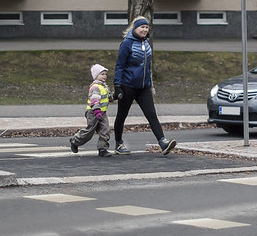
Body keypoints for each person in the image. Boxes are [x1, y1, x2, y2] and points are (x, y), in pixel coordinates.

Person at [112, 16, 176, 155]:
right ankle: (118, 143)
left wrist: (150, 84)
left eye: (147, 27)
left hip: (143, 88)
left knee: (151, 114)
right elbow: (120, 66)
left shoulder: (146, 43)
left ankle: (163, 142)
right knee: (122, 115)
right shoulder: (127, 44)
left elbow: (147, 67)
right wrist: (117, 86)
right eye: (142, 27)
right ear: (135, 28)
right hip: (127, 86)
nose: (145, 30)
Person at [69, 64, 113, 157]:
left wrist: (113, 97)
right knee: (89, 131)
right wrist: (97, 111)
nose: (104, 76)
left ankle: (102, 149)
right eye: (102, 74)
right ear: (96, 76)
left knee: (105, 130)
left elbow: (107, 97)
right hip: (93, 112)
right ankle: (75, 141)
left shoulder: (104, 86)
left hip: (102, 112)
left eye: (105, 74)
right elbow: (94, 100)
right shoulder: (95, 87)